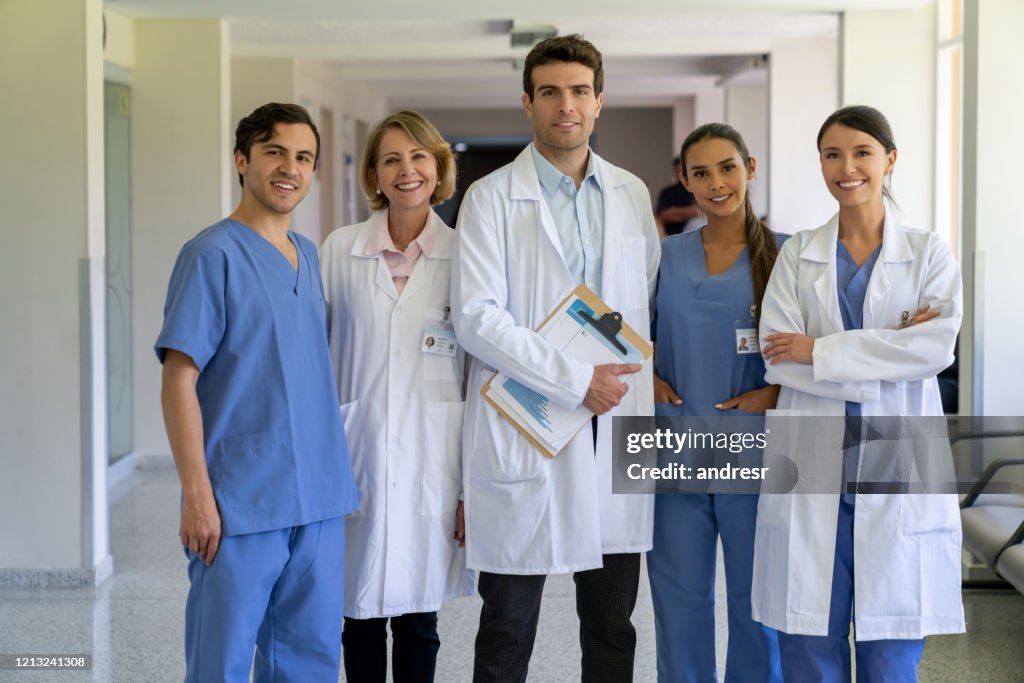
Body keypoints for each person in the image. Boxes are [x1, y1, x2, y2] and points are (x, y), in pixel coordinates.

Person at [451, 34, 660, 683]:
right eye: (549, 92)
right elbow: (476, 318)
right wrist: (576, 379)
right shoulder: (490, 198)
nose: (564, 106)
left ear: (599, 101)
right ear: (527, 102)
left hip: (617, 419)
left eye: (577, 91)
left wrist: (603, 383)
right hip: (529, 416)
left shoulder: (630, 193)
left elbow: (641, 295)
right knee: (508, 623)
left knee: (611, 624)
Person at [753, 105, 965, 682]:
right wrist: (889, 349)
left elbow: (935, 350)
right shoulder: (799, 253)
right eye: (832, 154)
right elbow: (779, 359)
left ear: (889, 160)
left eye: (862, 152)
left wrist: (820, 350)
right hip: (812, 454)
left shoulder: (927, 253)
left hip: (897, 456)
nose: (847, 167)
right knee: (807, 642)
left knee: (892, 647)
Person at [156, 102, 359, 683]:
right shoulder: (210, 254)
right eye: (275, 152)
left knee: (311, 659)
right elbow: (178, 377)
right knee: (221, 660)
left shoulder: (311, 257)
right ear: (243, 161)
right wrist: (197, 495)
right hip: (240, 501)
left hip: (317, 497)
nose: (289, 168)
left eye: (303, 157)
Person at [319, 110, 475, 683]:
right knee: (355, 615)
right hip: (354, 452)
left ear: (438, 169)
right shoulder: (339, 250)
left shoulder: (465, 255)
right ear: (375, 175)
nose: (406, 170)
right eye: (391, 159)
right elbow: (317, 355)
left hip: (437, 461)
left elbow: (475, 374)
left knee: (419, 618)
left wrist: (470, 488)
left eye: (418, 157)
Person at [646, 123, 784, 683]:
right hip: (670, 443)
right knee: (677, 601)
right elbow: (624, 330)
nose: (716, 182)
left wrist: (778, 391)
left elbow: (822, 343)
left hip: (761, 452)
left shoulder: (788, 255)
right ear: (684, 180)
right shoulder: (664, 256)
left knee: (760, 604)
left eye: (727, 167)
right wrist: (644, 378)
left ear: (750, 168)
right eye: (699, 172)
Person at [655, 156, 701, 238]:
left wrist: (675, 212)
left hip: (695, 234)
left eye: (682, 171)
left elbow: (700, 212)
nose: (680, 174)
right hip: (671, 235)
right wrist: (689, 212)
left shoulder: (697, 190)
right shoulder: (667, 192)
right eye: (677, 171)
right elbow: (661, 215)